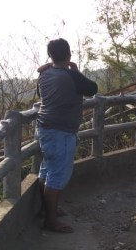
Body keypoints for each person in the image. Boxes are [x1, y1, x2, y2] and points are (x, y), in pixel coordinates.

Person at [35, 38, 98, 233]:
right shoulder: (71, 76)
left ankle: (47, 210)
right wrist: (75, 70)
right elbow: (92, 89)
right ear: (69, 54)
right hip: (60, 133)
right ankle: (50, 220)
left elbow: (40, 94)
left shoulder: (44, 75)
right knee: (57, 175)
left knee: (47, 171)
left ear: (50, 55)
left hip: (45, 129)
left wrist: (49, 65)